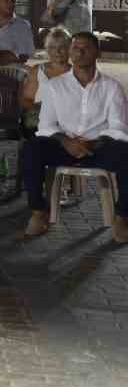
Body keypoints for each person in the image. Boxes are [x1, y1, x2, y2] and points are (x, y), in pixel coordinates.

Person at [19, 32, 128, 241]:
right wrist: (65, 141)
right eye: (75, 47)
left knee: (126, 153)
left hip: (98, 148)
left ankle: (122, 217)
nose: (79, 52)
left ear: (98, 52)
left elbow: (119, 128)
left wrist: (94, 143)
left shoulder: (112, 87)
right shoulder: (54, 86)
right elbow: (46, 126)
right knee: (32, 149)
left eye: (85, 47)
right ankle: (38, 212)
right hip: (63, 146)